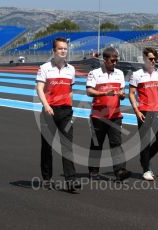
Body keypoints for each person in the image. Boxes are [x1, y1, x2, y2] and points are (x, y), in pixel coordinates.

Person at [36, 37, 80, 191]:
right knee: (47, 146)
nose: (63, 51)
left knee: (67, 146)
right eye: (60, 48)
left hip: (66, 112)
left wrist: (70, 106)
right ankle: (47, 178)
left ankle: (71, 180)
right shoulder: (45, 68)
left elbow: (70, 89)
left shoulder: (71, 70)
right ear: (53, 51)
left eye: (65, 49)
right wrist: (46, 105)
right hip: (49, 110)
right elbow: (39, 88)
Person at [86, 47, 131, 181]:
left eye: (116, 60)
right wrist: (105, 93)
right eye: (112, 60)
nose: (115, 63)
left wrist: (123, 95)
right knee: (96, 144)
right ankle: (93, 171)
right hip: (98, 116)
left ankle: (120, 171)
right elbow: (89, 91)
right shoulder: (94, 73)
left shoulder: (119, 73)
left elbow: (122, 93)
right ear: (105, 60)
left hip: (115, 115)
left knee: (116, 144)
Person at [128, 47, 158, 181]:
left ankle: (145, 158)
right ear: (144, 58)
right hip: (144, 111)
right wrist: (136, 110)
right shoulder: (137, 74)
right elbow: (132, 94)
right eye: (151, 58)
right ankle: (146, 169)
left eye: (155, 58)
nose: (153, 61)